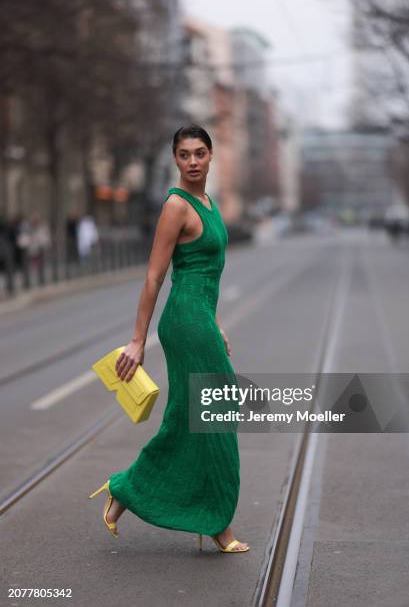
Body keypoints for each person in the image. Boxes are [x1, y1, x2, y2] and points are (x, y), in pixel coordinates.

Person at [89, 124, 249, 554]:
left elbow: (201, 275)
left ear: (211, 156)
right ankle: (218, 523)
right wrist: (137, 341)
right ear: (175, 159)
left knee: (193, 416)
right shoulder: (177, 206)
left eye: (199, 153)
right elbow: (155, 275)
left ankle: (127, 491)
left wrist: (214, 323)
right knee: (211, 415)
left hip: (198, 320)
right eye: (184, 154)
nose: (193, 161)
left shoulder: (207, 203)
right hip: (183, 324)